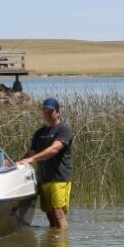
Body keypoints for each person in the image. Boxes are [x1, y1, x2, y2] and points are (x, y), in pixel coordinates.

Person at [18, 98, 75, 229]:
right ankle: (53, 243)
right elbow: (31, 153)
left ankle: (62, 243)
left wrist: (33, 159)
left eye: (50, 111)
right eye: (45, 111)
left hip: (60, 178)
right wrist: (16, 163)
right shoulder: (39, 133)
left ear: (58, 112)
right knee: (49, 214)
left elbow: (54, 149)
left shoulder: (64, 130)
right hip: (44, 178)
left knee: (58, 212)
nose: (47, 114)